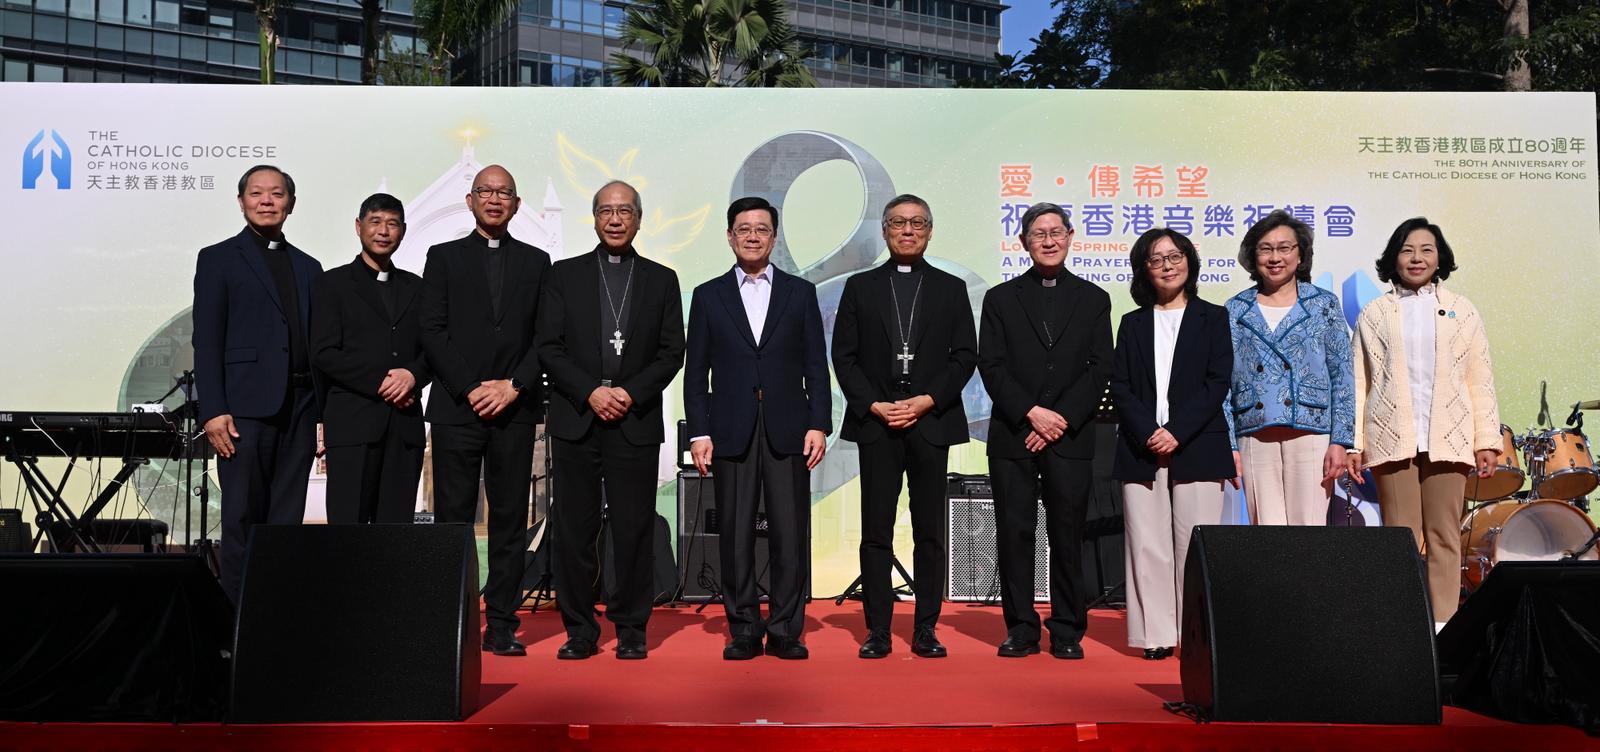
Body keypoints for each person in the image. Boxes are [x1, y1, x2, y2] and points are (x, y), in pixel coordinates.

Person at [537, 180, 684, 661]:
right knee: (574, 530)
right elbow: (549, 348)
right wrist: (591, 391)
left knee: (633, 529)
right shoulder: (565, 275)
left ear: (639, 218)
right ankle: (580, 627)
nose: (616, 219)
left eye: (625, 210)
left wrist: (627, 392)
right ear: (594, 218)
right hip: (578, 417)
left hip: (633, 419)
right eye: (606, 210)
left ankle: (631, 627)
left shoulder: (662, 279)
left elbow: (671, 352)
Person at [684, 196, 831, 661]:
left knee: (790, 532)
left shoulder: (799, 292)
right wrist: (699, 432)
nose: (752, 236)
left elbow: (815, 365)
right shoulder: (707, 295)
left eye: (762, 229)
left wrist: (819, 423)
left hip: (789, 428)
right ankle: (744, 627)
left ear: (774, 236)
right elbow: (696, 372)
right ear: (729, 236)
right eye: (743, 229)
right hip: (730, 430)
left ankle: (786, 628)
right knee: (734, 533)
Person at [831, 194, 976, 659]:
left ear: (930, 231)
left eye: (917, 223)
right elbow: (844, 357)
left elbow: (964, 356)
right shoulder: (860, 287)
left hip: (929, 421)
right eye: (898, 223)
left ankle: (926, 628)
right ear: (885, 230)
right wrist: (875, 403)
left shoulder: (951, 289)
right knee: (876, 529)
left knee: (930, 530)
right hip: (879, 424)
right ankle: (877, 629)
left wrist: (927, 400)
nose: (908, 231)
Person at [420, 165, 550, 657]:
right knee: (451, 519)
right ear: (470, 200)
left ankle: (501, 621)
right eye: (486, 192)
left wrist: (514, 385)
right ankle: (450, 619)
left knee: (510, 519)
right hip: (458, 408)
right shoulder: (444, 257)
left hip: (515, 410)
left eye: (505, 193)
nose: (495, 200)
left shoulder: (538, 263)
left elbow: (547, 337)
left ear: (517, 204)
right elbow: (432, 331)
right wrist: (472, 387)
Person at [1350, 217, 1500, 628]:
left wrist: (1486, 439)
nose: (1417, 258)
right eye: (1407, 250)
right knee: (1400, 539)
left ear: (1440, 258)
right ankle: (1404, 629)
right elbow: (1358, 381)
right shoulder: (1375, 313)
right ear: (1393, 258)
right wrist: (1353, 442)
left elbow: (1480, 379)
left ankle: (1443, 628)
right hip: (1391, 439)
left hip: (1449, 440)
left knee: (1444, 537)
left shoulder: (1462, 311)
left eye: (1426, 250)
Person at [977, 202, 1112, 660]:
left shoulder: (1094, 299)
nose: (1049, 241)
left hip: (1070, 437)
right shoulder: (999, 299)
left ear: (1071, 236)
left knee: (1067, 532)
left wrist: (1060, 419)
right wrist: (1032, 413)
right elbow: (991, 366)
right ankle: (1020, 628)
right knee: (1015, 533)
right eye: (1039, 234)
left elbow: (1099, 369)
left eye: (1057, 232)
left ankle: (1068, 629)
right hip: (1014, 433)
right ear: (1023, 243)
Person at [193, 164, 322, 605]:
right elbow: (206, 340)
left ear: (291, 203)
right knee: (242, 519)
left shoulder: (309, 267)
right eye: (256, 193)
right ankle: (234, 626)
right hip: (243, 412)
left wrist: (322, 416)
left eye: (277, 193)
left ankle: (275, 622)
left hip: (301, 408)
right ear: (241, 200)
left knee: (285, 525)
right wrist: (212, 409)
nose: (267, 201)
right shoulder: (218, 258)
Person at [1108, 228, 1235, 661]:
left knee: (1194, 543)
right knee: (1147, 543)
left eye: (1174, 255)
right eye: (1156, 258)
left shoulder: (1214, 318)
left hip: (1198, 443)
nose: (1167, 264)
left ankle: (1196, 631)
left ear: (1189, 261)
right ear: (1144, 269)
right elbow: (1120, 385)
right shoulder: (1132, 323)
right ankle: (1155, 634)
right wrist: (1150, 432)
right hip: (1141, 446)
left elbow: (1218, 382)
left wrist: (1177, 430)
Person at [1225, 210, 1355, 525]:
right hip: (1254, 432)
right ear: (1252, 256)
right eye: (1265, 249)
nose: (1275, 257)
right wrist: (1229, 445)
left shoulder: (1323, 304)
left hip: (1312, 431)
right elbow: (1223, 385)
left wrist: (1341, 440)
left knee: (1308, 532)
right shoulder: (1234, 309)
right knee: (1267, 536)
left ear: (1300, 255)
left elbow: (1343, 374)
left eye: (1285, 248)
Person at [310, 193, 430, 525]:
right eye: (375, 222)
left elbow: (433, 348)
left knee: (396, 532)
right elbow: (323, 352)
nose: (383, 231)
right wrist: (382, 381)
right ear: (359, 227)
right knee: (347, 532)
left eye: (392, 224)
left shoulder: (418, 288)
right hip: (352, 425)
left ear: (403, 231)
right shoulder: (331, 284)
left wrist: (413, 376)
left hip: (404, 427)